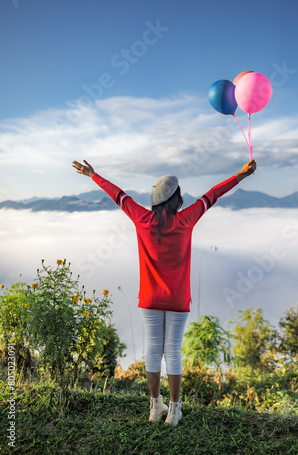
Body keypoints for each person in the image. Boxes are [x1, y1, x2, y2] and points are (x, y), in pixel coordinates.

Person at [72, 158, 256, 425]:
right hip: (178, 299)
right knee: (173, 351)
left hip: (149, 299)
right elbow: (213, 194)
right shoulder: (186, 220)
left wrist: (93, 175)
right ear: (176, 198)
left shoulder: (141, 218)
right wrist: (240, 175)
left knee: (152, 349)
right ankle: (174, 409)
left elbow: (119, 196)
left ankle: (154, 406)